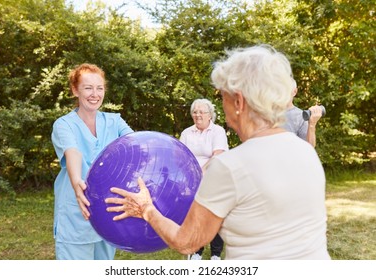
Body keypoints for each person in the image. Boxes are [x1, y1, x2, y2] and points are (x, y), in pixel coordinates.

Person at [104, 45, 331, 260]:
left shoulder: (230, 166)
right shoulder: (305, 151)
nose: (222, 105)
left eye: (223, 96)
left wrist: (146, 209)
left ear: (238, 101)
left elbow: (187, 242)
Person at [51, 63, 133, 260]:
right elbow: (73, 153)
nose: (94, 94)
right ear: (75, 90)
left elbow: (135, 145)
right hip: (75, 214)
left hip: (107, 212)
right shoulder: (64, 125)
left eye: (100, 88)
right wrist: (77, 181)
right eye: (88, 88)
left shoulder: (115, 121)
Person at [179, 98, 229, 260]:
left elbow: (218, 155)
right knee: (196, 216)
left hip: (214, 178)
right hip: (192, 181)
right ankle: (197, 251)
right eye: (195, 112)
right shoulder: (187, 133)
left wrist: (200, 171)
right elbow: (180, 156)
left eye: (201, 112)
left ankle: (215, 254)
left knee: (214, 215)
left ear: (210, 115)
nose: (198, 115)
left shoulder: (217, 131)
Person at [283, 79, 323, 147]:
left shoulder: (301, 117)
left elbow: (309, 148)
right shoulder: (266, 113)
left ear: (294, 91)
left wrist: (312, 124)